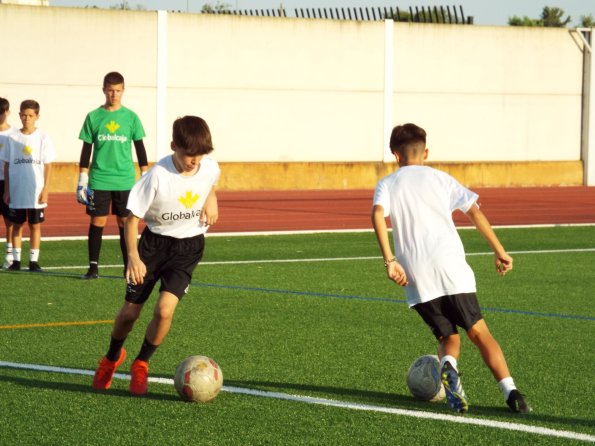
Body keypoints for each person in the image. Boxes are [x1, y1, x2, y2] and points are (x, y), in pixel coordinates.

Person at [371, 123, 530, 414]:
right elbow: (474, 211)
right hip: (451, 266)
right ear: (426, 152)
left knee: (448, 337)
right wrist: (499, 250)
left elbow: (377, 214)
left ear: (395, 155)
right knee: (479, 333)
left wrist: (390, 261)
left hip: (415, 273)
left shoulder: (388, 184)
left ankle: (448, 366)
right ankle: (512, 394)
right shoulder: (442, 179)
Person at [92, 115, 220, 396]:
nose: (194, 161)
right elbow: (130, 219)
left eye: (199, 155)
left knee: (164, 310)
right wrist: (134, 258)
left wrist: (211, 199)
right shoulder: (157, 176)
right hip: (152, 248)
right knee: (130, 313)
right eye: (189, 154)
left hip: (188, 248)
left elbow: (210, 180)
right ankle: (112, 357)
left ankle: (141, 363)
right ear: (174, 145)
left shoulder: (208, 167)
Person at [77, 71, 149, 280]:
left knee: (125, 222)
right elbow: (86, 149)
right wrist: (83, 178)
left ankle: (128, 265)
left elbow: (140, 147)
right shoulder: (93, 116)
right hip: (99, 178)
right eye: (110, 90)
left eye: (118, 91)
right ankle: (92, 267)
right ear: (104, 90)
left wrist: (145, 174)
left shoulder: (131, 117)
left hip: (125, 179)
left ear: (123, 91)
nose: (114, 95)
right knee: (97, 221)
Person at [0, 100, 55, 272]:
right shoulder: (12, 138)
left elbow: (48, 165)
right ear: (19, 115)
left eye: (31, 115)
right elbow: (7, 164)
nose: (27, 118)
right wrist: (7, 190)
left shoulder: (43, 138)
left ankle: (33, 261)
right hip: (17, 190)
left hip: (35, 191)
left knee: (35, 226)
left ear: (37, 116)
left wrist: (45, 189)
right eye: (24, 115)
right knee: (16, 225)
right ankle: (16, 260)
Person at [0, 97, 16, 269]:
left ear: (7, 112)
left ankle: (9, 256)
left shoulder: (14, 134)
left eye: (1, 113)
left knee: (9, 221)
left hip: (8, 182)